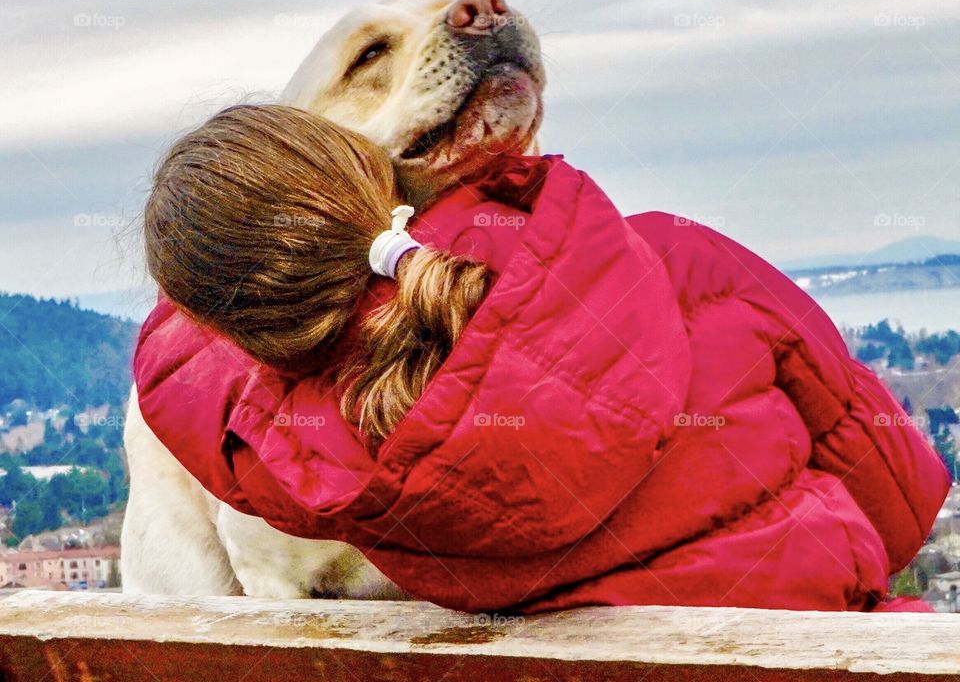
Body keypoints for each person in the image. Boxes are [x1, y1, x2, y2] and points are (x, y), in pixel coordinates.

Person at [137, 103, 949, 613]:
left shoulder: (299, 451)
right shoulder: (666, 257)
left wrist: (218, 265)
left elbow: (187, 380)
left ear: (235, 327)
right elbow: (892, 484)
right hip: (819, 635)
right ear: (376, 173)